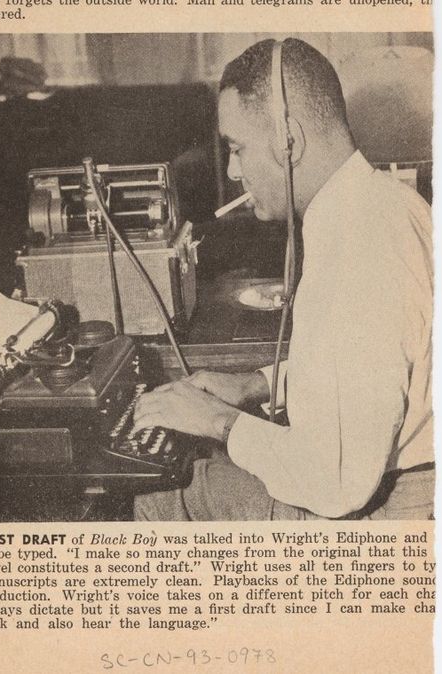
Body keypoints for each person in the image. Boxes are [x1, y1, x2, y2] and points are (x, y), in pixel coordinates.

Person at [133, 38, 433, 521]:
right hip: (390, 484)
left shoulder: (360, 250)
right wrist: (254, 386)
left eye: (237, 148)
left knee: (157, 501)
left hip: (390, 513)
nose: (233, 171)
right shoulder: (382, 207)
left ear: (288, 140)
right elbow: (364, 378)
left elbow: (338, 483)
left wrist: (216, 421)